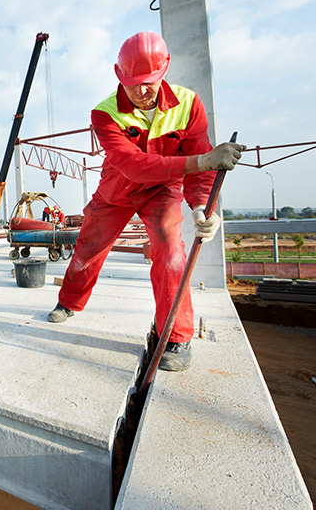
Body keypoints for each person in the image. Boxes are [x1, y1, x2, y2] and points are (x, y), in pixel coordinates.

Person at [47, 31, 245, 372]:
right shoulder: (105, 113)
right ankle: (69, 302)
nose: (141, 92)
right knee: (88, 248)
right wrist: (201, 162)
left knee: (171, 253)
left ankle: (177, 336)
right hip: (117, 190)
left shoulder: (188, 104)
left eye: (149, 82)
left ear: (165, 69)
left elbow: (201, 167)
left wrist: (201, 207)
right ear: (118, 75)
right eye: (133, 83)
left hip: (163, 190)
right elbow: (133, 165)